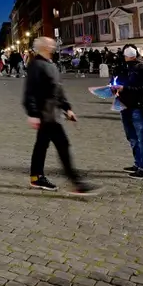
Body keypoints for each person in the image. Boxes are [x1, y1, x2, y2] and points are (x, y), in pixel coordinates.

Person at [23, 37, 96, 195]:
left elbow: (58, 89)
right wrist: (33, 113)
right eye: (50, 43)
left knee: (42, 145)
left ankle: (37, 177)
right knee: (62, 146)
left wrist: (67, 108)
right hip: (46, 114)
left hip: (52, 113)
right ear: (43, 47)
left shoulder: (50, 63)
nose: (53, 45)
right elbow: (30, 92)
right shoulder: (36, 65)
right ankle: (77, 183)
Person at [111, 45, 143, 180]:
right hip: (125, 106)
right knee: (132, 137)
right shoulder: (124, 68)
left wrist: (125, 88)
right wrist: (113, 87)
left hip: (138, 106)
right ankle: (138, 163)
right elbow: (117, 81)